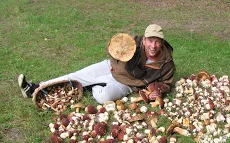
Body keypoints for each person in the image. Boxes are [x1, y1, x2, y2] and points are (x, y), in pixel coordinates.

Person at [18, 24, 175, 104]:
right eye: (150, 41)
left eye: (157, 42)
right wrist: (110, 49)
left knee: (103, 97)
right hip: (110, 67)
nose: (153, 46)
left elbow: (167, 84)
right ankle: (34, 88)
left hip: (127, 84)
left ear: (161, 42)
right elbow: (115, 51)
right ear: (145, 40)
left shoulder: (167, 64)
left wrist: (159, 90)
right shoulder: (135, 42)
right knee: (73, 76)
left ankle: (92, 85)